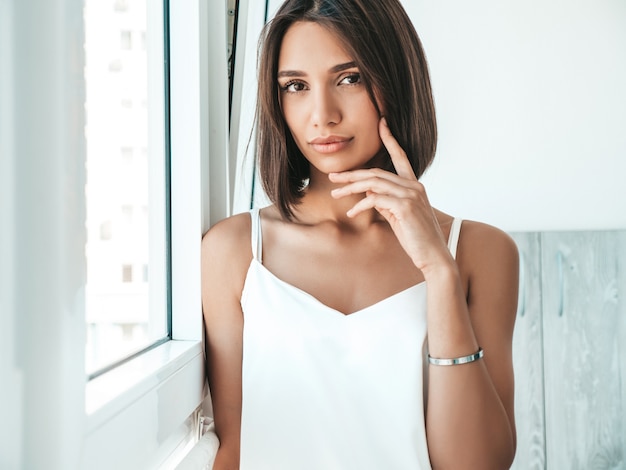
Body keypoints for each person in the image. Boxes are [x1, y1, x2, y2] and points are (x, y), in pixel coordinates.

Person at [201, 0, 519, 468]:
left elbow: (476, 465)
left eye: (350, 78)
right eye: (296, 86)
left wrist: (438, 271)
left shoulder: (481, 252)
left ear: (395, 80)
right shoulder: (236, 251)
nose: (322, 115)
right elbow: (232, 449)